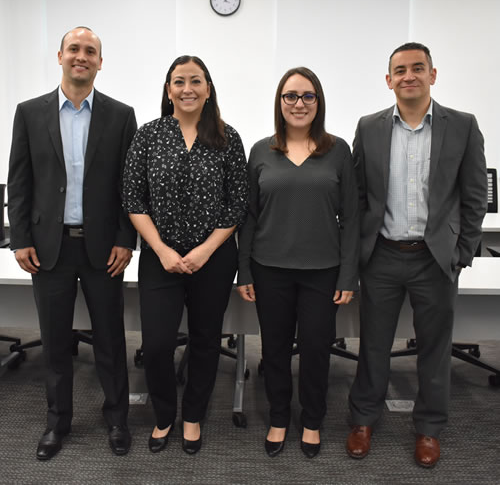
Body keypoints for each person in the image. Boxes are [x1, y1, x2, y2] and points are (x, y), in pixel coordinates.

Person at [346, 42, 488, 468]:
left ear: (433, 74)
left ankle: (428, 428)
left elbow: (475, 194)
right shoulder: (369, 127)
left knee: (434, 347)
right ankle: (363, 419)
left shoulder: (462, 126)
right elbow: (356, 196)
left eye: (418, 68)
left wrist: (461, 252)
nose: (409, 76)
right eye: (400, 70)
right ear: (388, 80)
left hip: (434, 258)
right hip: (383, 255)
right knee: (372, 345)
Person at [7, 27, 137, 460]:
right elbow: (21, 183)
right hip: (49, 248)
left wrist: (126, 238)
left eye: (91, 51)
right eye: (75, 49)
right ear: (60, 56)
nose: (82, 56)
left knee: (110, 339)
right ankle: (56, 422)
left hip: (104, 249)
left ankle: (117, 418)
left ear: (101, 62)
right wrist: (20, 237)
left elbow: (128, 186)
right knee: (55, 340)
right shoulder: (29, 113)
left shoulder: (121, 116)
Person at [122, 55, 248, 455]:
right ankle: (165, 416)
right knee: (157, 344)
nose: (187, 88)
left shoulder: (228, 138)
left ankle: (193, 416)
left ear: (209, 88)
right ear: (168, 89)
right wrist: (160, 249)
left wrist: (205, 250)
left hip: (213, 259)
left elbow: (237, 204)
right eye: (179, 81)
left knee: (205, 340)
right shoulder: (148, 135)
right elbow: (132, 198)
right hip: (161, 259)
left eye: (196, 81)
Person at [237, 67, 359, 458]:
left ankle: (311, 421)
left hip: (322, 271)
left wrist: (348, 274)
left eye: (308, 96)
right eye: (290, 96)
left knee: (316, 349)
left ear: (318, 102)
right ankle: (277, 418)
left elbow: (353, 217)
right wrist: (245, 269)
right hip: (269, 268)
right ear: (279, 102)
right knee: (272, 350)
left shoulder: (338, 150)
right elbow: (248, 217)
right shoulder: (260, 150)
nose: (299, 103)